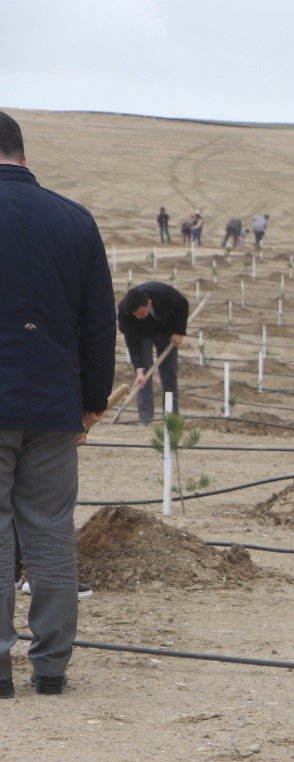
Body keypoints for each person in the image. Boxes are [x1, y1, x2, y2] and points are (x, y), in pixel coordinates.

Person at [0, 110, 116, 696]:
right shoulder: (75, 219)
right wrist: (92, 400)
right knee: (49, 530)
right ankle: (51, 669)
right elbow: (100, 319)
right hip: (52, 402)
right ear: (21, 152)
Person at [117, 281, 189, 424]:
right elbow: (132, 342)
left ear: (149, 304)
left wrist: (179, 331)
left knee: (169, 373)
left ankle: (171, 415)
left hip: (166, 329)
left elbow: (183, 305)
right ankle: (145, 417)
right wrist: (139, 369)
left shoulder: (164, 294)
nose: (138, 317)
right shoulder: (125, 311)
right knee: (144, 376)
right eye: (135, 315)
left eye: (141, 313)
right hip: (142, 335)